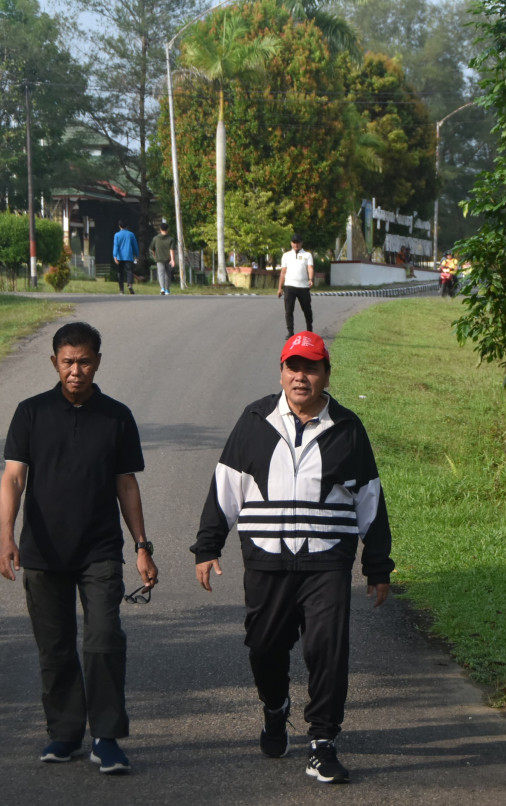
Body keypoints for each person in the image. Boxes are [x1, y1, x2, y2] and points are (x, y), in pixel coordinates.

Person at [191, 331, 394, 785]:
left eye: (311, 367)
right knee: (264, 647)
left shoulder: (347, 427)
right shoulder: (255, 421)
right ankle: (275, 707)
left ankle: (322, 743)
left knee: (327, 651)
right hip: (266, 560)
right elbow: (225, 487)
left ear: (326, 374)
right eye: (292, 366)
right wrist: (208, 546)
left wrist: (377, 564)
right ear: (281, 371)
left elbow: (370, 500)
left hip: (327, 562)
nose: (301, 376)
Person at [0, 321, 158, 775]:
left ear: (98, 362)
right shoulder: (30, 413)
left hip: (100, 550)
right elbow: (13, 477)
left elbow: (126, 485)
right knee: (55, 646)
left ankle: (105, 737)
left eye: (84, 361)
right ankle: (65, 732)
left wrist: (142, 546)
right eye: (67, 361)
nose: (75, 370)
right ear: (54, 363)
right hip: (43, 552)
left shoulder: (117, 417)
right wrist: (7, 536)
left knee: (104, 640)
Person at [277, 233, 315, 338]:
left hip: (303, 286)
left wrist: (310, 279)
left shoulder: (307, 255)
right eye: (294, 242)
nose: (296, 245)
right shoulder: (286, 255)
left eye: (298, 242)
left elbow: (310, 268)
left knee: (307, 309)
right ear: (291, 243)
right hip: (289, 286)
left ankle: (309, 330)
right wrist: (280, 288)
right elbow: (283, 272)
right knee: (289, 310)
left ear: (301, 243)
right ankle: (290, 332)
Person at [148, 220, 177, 295]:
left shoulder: (156, 238)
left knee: (160, 274)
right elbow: (171, 250)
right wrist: (173, 260)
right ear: (167, 229)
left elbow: (152, 249)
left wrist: (154, 256)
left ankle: (162, 288)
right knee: (168, 274)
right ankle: (167, 290)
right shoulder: (171, 239)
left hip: (159, 259)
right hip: (168, 259)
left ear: (160, 229)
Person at [113, 219, 138, 295]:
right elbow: (135, 246)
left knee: (120, 273)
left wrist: (115, 256)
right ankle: (130, 284)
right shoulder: (131, 234)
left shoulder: (117, 235)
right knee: (129, 271)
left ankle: (121, 290)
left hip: (120, 257)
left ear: (119, 226)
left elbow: (116, 246)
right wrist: (136, 255)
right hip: (129, 256)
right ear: (126, 226)